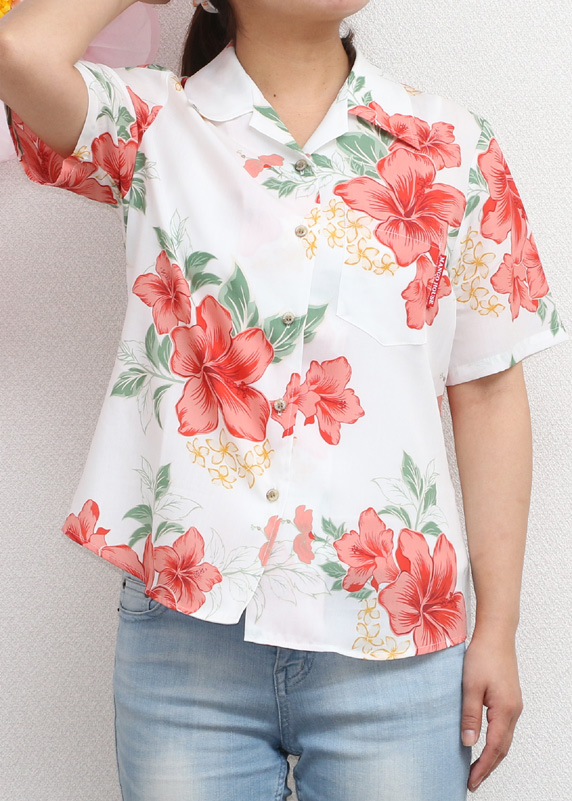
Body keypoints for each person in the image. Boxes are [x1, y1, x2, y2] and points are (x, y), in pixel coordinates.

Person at [0, 0, 568, 799]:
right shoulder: (154, 123)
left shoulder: (452, 145)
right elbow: (19, 47)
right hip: (186, 646)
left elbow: (489, 392)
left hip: (395, 642)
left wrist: (499, 627)